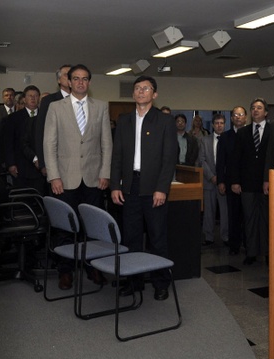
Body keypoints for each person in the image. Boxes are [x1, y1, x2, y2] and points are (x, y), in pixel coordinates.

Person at [44, 64, 112, 290]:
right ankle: (65, 271)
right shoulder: (55, 107)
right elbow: (49, 144)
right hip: (64, 179)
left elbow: (106, 143)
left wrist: (105, 172)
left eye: (85, 78)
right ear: (69, 82)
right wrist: (54, 176)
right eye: (76, 78)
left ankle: (93, 267)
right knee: (65, 228)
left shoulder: (101, 107)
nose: (81, 82)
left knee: (93, 228)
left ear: (89, 83)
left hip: (93, 179)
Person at [110, 76, 178, 301]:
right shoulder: (124, 120)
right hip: (129, 187)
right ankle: (134, 282)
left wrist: (162, 188)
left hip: (154, 187)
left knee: (157, 238)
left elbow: (169, 158)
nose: (141, 92)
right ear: (133, 94)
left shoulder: (165, 121)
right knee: (131, 238)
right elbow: (117, 156)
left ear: (154, 94)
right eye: (137, 88)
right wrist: (114, 185)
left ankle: (161, 283)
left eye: (146, 88)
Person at [229, 98, 270, 266]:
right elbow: (235, 159)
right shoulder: (243, 132)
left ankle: (267, 252)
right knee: (249, 219)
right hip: (247, 184)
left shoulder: (273, 131)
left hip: (267, 183)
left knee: (266, 220)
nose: (255, 110)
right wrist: (235, 181)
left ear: (265, 112)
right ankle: (251, 252)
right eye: (253, 108)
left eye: (259, 108)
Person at [4, 85, 47, 194]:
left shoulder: (46, 116)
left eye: (36, 96)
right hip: (20, 166)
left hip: (41, 167)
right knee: (23, 196)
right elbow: (8, 142)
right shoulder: (13, 118)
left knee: (40, 198)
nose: (33, 98)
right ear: (24, 99)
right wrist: (11, 164)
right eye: (30, 96)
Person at [217, 106, 247, 255]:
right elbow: (220, 161)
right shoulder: (225, 136)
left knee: (248, 217)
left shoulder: (251, 134)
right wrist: (221, 182)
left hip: (249, 183)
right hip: (230, 182)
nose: (238, 117)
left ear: (246, 117)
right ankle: (234, 246)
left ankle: (250, 247)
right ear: (231, 118)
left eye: (241, 114)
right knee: (233, 215)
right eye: (235, 115)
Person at [36, 64, 72, 179]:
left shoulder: (82, 100)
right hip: (56, 162)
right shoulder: (49, 101)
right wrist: (43, 163)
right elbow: (40, 131)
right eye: (67, 75)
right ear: (58, 80)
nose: (71, 77)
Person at [198, 113, 227, 246]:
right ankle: (208, 237)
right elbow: (202, 160)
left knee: (225, 211)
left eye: (221, 123)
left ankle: (226, 237)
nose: (219, 125)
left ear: (225, 124)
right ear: (213, 125)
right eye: (217, 123)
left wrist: (222, 178)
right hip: (209, 181)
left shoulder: (229, 139)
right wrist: (212, 176)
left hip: (224, 182)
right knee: (209, 212)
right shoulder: (205, 140)